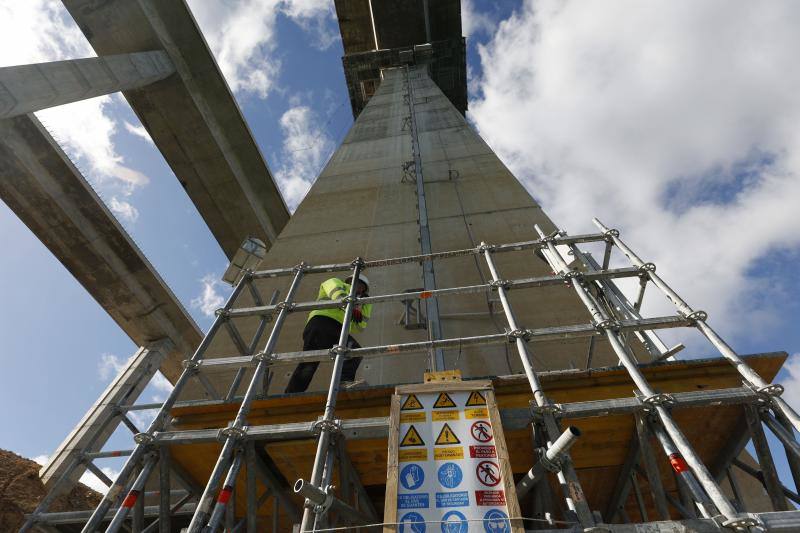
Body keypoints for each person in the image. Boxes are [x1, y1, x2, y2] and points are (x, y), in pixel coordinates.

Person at [285, 273, 372, 393]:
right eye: (357, 283)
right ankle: (293, 394)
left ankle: (292, 392)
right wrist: (350, 304)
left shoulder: (360, 302)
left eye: (362, 287)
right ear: (350, 281)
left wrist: (360, 307)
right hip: (321, 322)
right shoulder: (337, 282)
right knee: (310, 363)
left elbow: (359, 327)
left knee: (353, 353)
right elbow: (336, 293)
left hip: (336, 329)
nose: (359, 288)